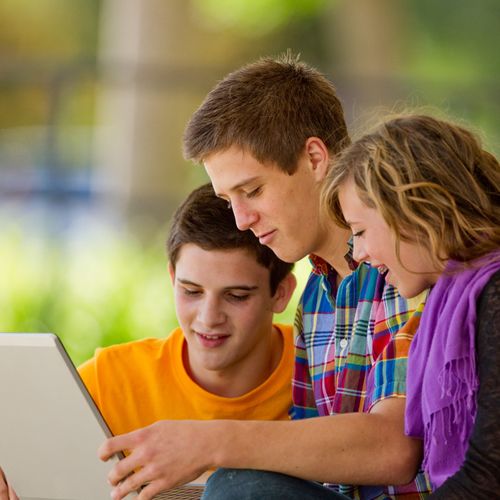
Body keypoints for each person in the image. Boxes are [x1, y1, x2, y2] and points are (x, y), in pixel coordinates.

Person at [99, 54, 432, 500]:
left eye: (252, 190)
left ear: (315, 158)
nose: (241, 220)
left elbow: (394, 447)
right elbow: (315, 477)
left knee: (242, 485)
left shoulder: (403, 264)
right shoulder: (316, 296)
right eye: (228, 198)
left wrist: (211, 442)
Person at [0, 183, 297, 500]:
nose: (209, 317)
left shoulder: (320, 370)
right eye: (191, 291)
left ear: (280, 293)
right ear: (172, 279)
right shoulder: (110, 381)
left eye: (236, 296)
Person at [324, 114, 500, 498]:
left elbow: (490, 475)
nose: (361, 253)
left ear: (412, 209)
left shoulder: (494, 295)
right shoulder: (450, 303)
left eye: (361, 232)